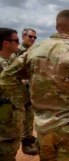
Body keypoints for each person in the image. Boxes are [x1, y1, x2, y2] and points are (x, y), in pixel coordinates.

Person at [0, 9, 69, 161]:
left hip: (43, 128)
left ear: (57, 27)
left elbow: (6, 77)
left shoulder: (34, 50)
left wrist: (26, 98)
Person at [0, 28, 25, 161]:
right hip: (5, 120)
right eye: (16, 40)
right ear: (6, 43)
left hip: (12, 117)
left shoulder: (11, 60)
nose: (18, 43)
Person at [18, 28, 38, 155]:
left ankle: (28, 139)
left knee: (29, 116)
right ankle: (25, 144)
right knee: (20, 118)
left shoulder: (32, 51)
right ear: (23, 36)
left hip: (29, 91)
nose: (33, 39)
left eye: (35, 37)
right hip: (20, 91)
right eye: (30, 37)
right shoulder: (17, 51)